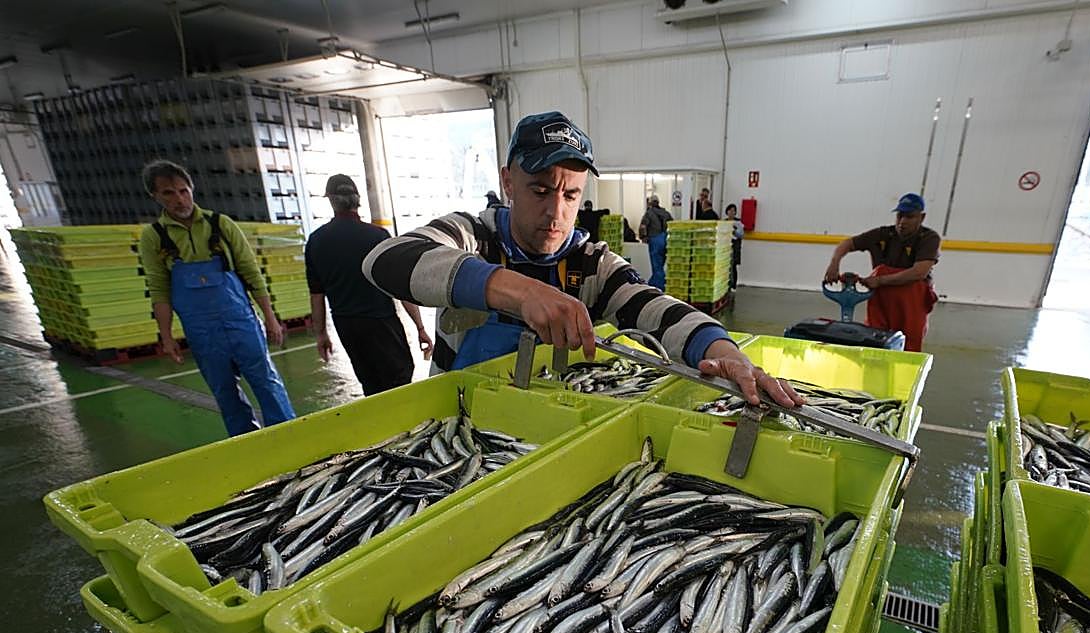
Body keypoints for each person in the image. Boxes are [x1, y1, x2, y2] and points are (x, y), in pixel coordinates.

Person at [361, 110, 799, 407]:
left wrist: (727, 354)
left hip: (549, 427)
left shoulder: (591, 263)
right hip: (455, 421)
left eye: (571, 194)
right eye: (540, 190)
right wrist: (516, 290)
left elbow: (656, 309)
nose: (556, 213)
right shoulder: (472, 235)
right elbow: (384, 259)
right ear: (507, 183)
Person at [139, 159, 295, 436]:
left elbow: (250, 272)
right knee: (224, 391)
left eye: (183, 190)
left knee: (266, 381)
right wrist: (166, 334)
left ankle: (287, 434)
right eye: (169, 193)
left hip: (241, 322)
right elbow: (159, 288)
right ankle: (245, 442)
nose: (179, 199)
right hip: (202, 331)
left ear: (191, 189)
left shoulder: (221, 225)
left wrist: (270, 317)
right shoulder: (154, 237)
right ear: (155, 196)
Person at [306, 174, 432, 396]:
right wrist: (420, 328)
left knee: (370, 383)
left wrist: (321, 334)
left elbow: (317, 295)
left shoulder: (316, 241)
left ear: (331, 201)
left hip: (347, 325)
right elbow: (400, 287)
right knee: (399, 379)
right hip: (381, 323)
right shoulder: (377, 236)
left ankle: (382, 427)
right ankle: (405, 427)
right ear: (357, 200)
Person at [824, 193, 941, 351]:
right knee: (874, 341)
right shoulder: (884, 234)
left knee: (908, 346)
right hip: (881, 300)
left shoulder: (929, 238)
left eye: (909, 217)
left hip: (912, 302)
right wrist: (834, 264)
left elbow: (919, 272)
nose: (902, 222)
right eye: (900, 216)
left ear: (922, 217)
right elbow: (847, 244)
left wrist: (880, 281)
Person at [639, 194, 673, 291]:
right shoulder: (666, 213)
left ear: (650, 203)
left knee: (656, 265)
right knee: (661, 264)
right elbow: (672, 226)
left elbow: (643, 227)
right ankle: (654, 282)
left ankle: (659, 286)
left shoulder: (649, 213)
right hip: (666, 240)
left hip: (655, 240)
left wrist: (643, 237)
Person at [725, 203, 744, 290]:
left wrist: (734, 230)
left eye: (733, 211)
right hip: (725, 246)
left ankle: (733, 285)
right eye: (730, 210)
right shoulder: (724, 222)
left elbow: (741, 235)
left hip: (734, 245)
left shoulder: (738, 223)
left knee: (733, 266)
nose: (731, 212)